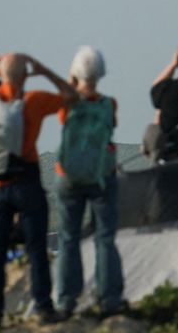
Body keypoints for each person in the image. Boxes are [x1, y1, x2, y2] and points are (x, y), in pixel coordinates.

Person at [0, 53, 76, 325]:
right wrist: (44, 69)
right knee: (36, 248)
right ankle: (44, 307)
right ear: (24, 76)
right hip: (26, 184)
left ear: (0, 73)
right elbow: (71, 96)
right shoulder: (33, 100)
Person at [53, 46, 124, 319]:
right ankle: (110, 298)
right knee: (105, 237)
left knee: (68, 238)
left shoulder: (67, 103)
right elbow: (110, 126)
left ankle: (66, 299)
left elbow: (64, 115)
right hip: (101, 176)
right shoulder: (110, 104)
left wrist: (71, 82)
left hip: (68, 175)